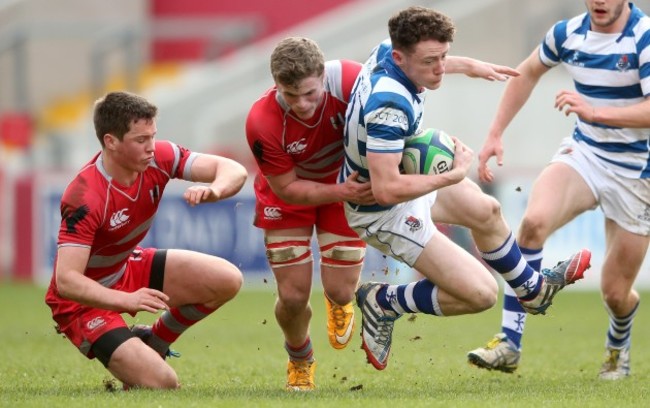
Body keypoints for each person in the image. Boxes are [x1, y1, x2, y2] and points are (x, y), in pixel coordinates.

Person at [341, 5, 592, 371]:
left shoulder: (388, 51)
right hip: (384, 213)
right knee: (481, 294)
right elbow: (386, 190)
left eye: (444, 56)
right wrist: (451, 176)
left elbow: (432, 59)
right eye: (432, 61)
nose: (441, 67)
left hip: (403, 182)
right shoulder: (389, 105)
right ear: (400, 57)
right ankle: (383, 301)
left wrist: (471, 66)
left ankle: (532, 292)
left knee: (486, 211)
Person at [467, 0, 650, 380]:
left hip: (637, 171)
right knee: (533, 222)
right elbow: (527, 72)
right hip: (586, 153)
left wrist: (596, 112)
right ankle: (509, 342)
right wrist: (495, 133)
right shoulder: (567, 33)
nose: (599, 1)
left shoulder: (643, 37)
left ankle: (617, 346)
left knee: (616, 294)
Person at [45, 91, 247, 389]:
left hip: (125, 269)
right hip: (82, 301)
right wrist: (126, 300)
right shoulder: (84, 196)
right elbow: (67, 281)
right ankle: (136, 354)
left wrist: (216, 190)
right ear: (111, 141)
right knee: (163, 383)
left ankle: (155, 341)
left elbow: (234, 170)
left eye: (153, 136)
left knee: (227, 280)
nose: (151, 147)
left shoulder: (158, 157)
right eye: (141, 140)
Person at [245, 37, 374, 391]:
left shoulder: (354, 82)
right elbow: (286, 187)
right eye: (290, 95)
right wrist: (342, 191)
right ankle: (300, 359)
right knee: (293, 296)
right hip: (288, 196)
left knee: (342, 289)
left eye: (310, 94)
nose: (301, 104)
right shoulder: (261, 120)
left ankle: (341, 301)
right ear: (276, 85)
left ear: (323, 75)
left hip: (343, 184)